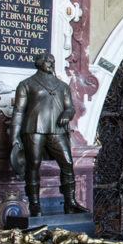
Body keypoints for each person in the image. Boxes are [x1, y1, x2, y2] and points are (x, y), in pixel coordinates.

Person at [10, 53, 89, 216]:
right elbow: (18, 111)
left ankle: (70, 203)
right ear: (38, 63)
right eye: (47, 61)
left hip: (57, 130)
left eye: (52, 61)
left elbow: (70, 107)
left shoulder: (62, 86)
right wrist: (15, 136)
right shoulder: (26, 84)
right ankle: (35, 205)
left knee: (67, 163)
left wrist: (68, 114)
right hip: (34, 128)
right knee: (33, 165)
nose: (50, 63)